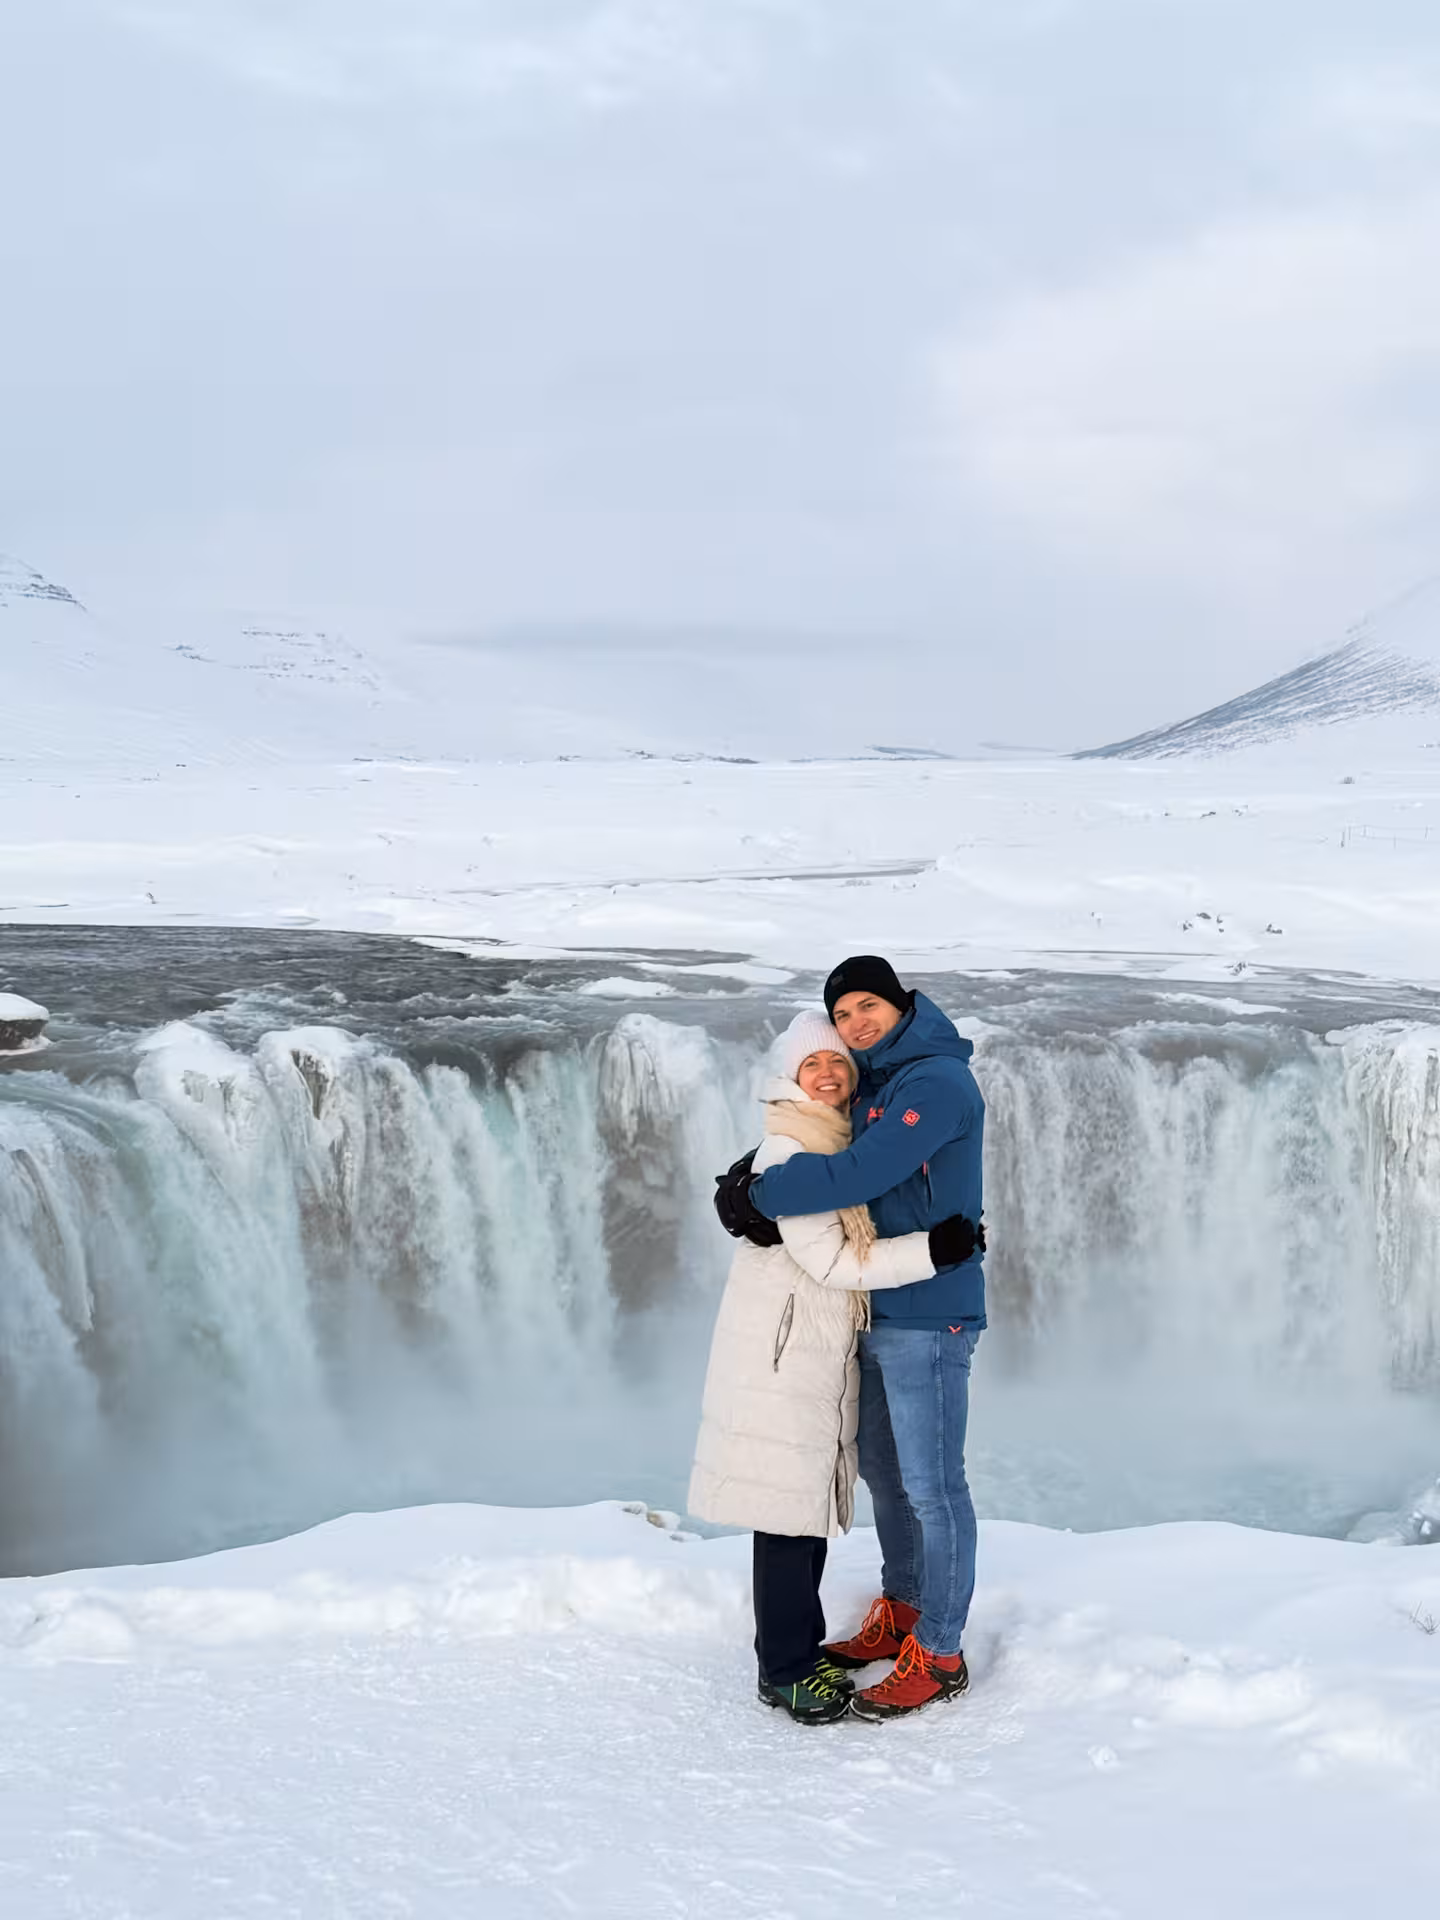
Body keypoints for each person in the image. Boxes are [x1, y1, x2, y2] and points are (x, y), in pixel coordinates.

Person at [714, 957, 985, 1721]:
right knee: (887, 1475)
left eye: (870, 1007)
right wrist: (737, 1183)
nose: (856, 1025)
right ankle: (902, 1609)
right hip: (873, 1310)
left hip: (930, 1308)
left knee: (934, 1487)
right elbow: (809, 1127)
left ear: (902, 1005)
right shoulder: (873, 1081)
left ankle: (940, 1651)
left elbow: (859, 1173)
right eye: (842, 1016)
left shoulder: (930, 1082)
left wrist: (757, 1195)